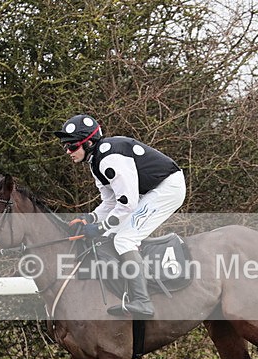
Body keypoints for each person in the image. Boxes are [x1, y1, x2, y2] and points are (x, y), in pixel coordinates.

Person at [54, 114, 186, 317]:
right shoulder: (95, 161)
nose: (67, 151)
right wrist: (91, 218)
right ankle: (126, 289)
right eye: (66, 147)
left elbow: (127, 203)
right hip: (150, 191)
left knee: (124, 239)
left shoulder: (109, 158)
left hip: (167, 188)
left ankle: (143, 301)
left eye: (72, 146)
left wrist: (100, 227)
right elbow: (110, 202)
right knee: (108, 237)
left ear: (88, 143)